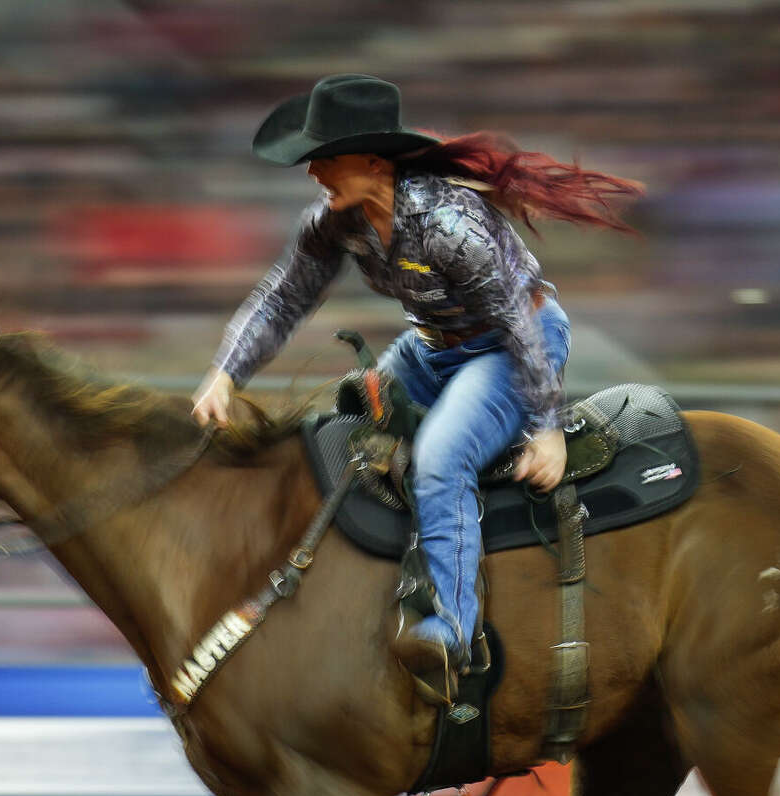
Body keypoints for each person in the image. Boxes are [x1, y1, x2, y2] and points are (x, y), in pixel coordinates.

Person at [192, 73, 641, 692]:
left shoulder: (447, 223)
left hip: (511, 349)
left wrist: (545, 428)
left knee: (439, 458)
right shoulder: (334, 221)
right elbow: (283, 298)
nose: (312, 171)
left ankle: (455, 627)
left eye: (325, 158)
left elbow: (515, 319)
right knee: (349, 418)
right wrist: (224, 374)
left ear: (373, 161)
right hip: (431, 348)